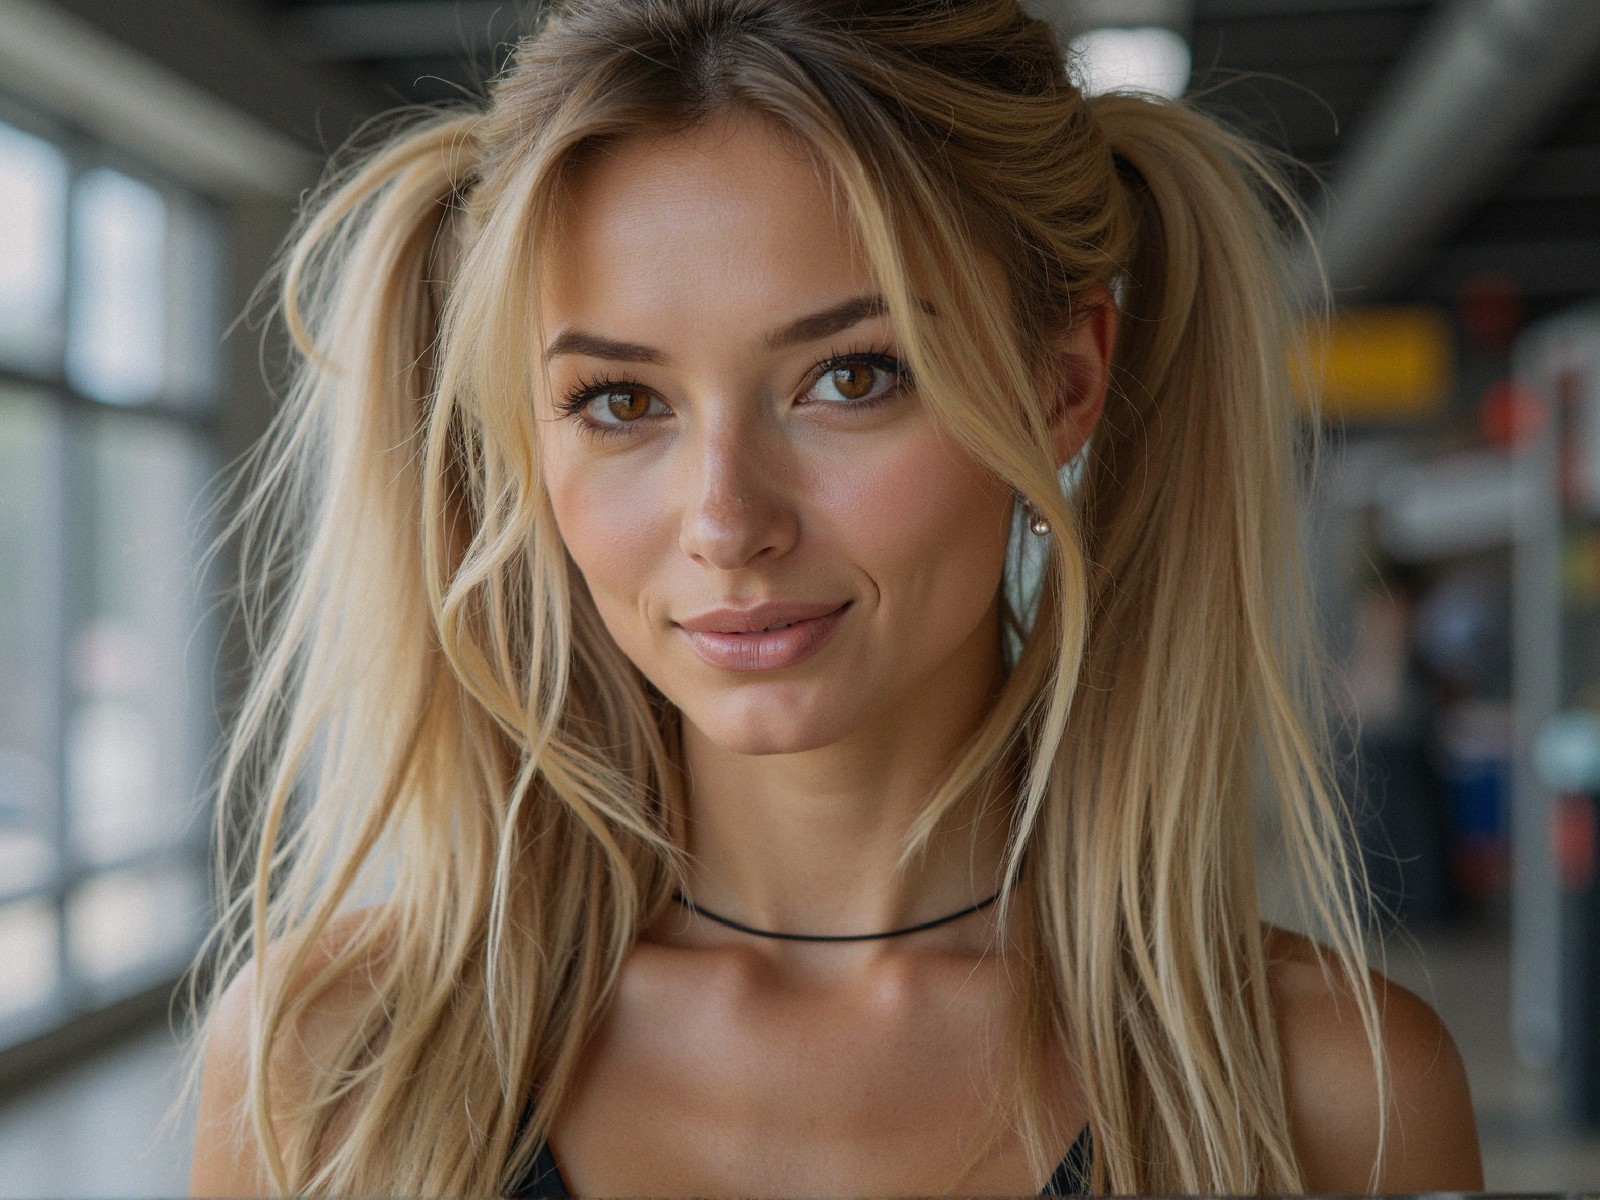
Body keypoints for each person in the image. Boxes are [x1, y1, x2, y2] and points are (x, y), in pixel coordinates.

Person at [184, 0, 1483, 1193]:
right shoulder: (330, 1064)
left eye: (852, 377)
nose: (727, 524)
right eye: (620, 402)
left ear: (1063, 384)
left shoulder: (1330, 1094)